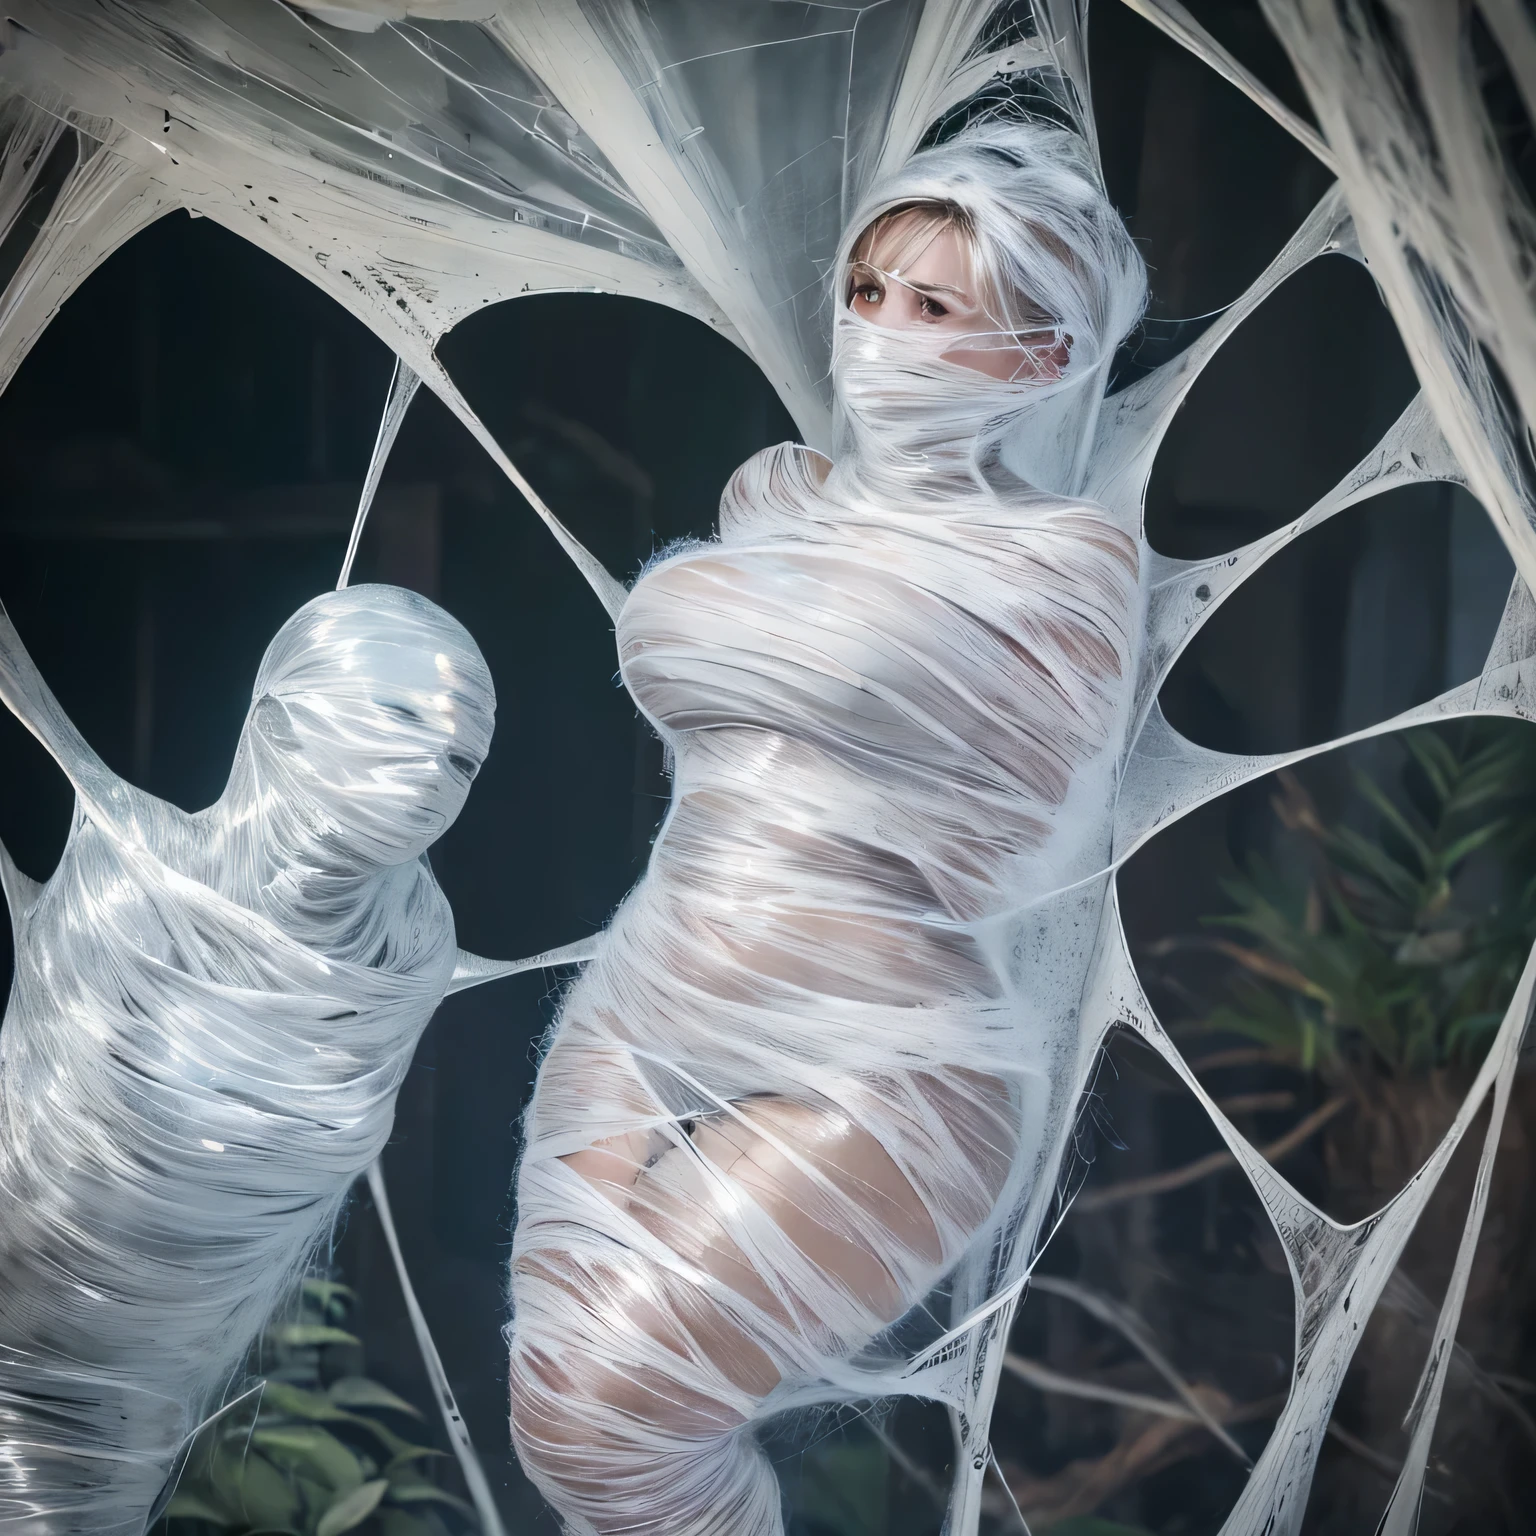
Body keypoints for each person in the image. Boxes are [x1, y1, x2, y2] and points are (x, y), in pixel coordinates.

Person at [507, 119, 1148, 1536]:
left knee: (608, 1418)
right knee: (560, 1433)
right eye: (867, 292)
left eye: (933, 307)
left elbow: (1017, 835)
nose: (878, 334)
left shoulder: (1066, 560)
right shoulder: (770, 494)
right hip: (646, 1001)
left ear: (1043, 359)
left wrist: (832, 680)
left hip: (880, 1063)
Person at [0, 584, 494, 1531]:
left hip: (131, 1419)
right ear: (285, 710)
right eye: (393, 718)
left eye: (463, 757)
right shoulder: (129, 890)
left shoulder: (408, 958)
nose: (427, 772)